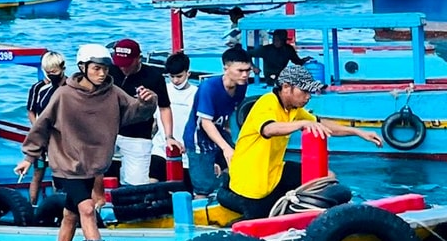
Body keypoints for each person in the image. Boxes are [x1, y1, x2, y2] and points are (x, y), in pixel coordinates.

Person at [16, 44, 158, 241]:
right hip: (67, 164)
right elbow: (42, 125)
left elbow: (133, 114)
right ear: (82, 67)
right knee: (88, 209)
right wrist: (29, 157)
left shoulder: (113, 93)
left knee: (70, 214)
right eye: (96, 68)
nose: (102, 74)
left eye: (105, 69)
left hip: (92, 165)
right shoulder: (64, 95)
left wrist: (148, 102)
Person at [219, 63, 383, 218]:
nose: (308, 96)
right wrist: (302, 124)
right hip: (250, 183)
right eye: (304, 91)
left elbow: (321, 125)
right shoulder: (267, 103)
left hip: (274, 172)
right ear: (286, 87)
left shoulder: (293, 109)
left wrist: (358, 132)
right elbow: (268, 129)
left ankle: (319, 214)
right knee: (260, 216)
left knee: (327, 177)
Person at [185, 46, 255, 196]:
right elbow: (205, 122)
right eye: (240, 71)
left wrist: (229, 134)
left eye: (248, 70)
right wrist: (225, 148)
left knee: (237, 166)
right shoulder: (209, 88)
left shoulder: (241, 85)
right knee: (203, 187)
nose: (245, 75)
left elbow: (231, 110)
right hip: (199, 138)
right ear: (226, 69)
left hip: (220, 131)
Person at [108, 38, 175, 185]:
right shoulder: (109, 71)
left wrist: (169, 136)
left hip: (138, 135)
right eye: (120, 63)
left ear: (138, 58)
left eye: (127, 64)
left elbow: (164, 108)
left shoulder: (154, 76)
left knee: (138, 183)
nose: (123, 68)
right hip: (108, 132)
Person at [24, 51, 67, 203]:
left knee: (58, 174)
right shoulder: (37, 88)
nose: (51, 75)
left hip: (61, 140)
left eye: (54, 71)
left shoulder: (69, 87)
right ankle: (32, 205)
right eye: (48, 72)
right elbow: (31, 111)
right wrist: (38, 129)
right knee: (38, 172)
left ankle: (58, 206)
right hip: (42, 139)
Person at [161, 51, 196, 167]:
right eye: (172, 76)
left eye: (179, 76)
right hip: (160, 149)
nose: (175, 80)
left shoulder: (197, 94)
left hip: (187, 150)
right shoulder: (162, 90)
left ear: (188, 73)